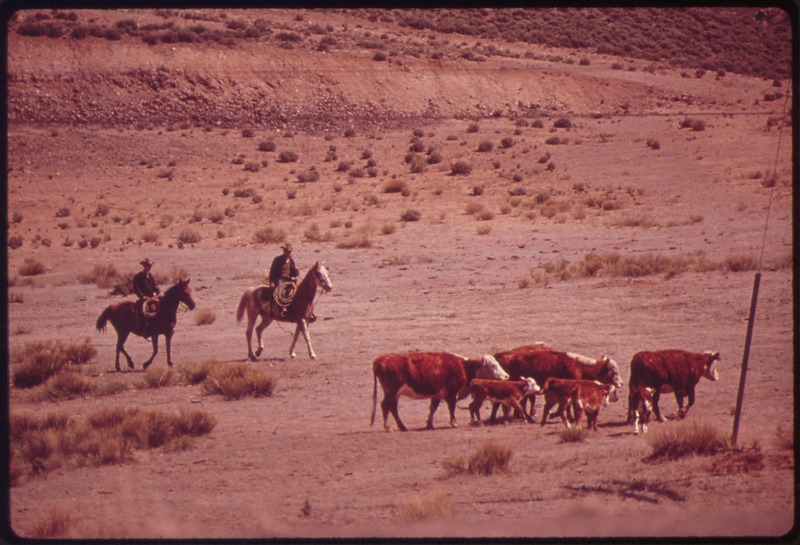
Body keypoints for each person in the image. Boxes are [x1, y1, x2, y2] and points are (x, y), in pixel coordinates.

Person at [133, 258, 160, 334]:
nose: (149, 267)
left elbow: (155, 286)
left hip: (153, 297)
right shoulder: (138, 276)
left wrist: (157, 293)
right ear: (144, 266)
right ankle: (143, 327)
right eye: (148, 266)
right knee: (143, 310)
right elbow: (136, 289)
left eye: (150, 266)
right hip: (144, 298)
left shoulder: (150, 276)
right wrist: (143, 296)